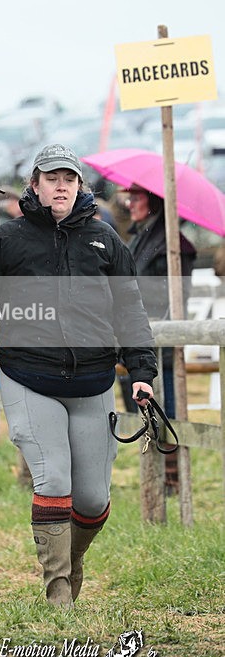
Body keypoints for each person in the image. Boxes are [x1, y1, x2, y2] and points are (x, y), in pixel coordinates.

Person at [0, 144, 157, 607]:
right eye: (52, 178)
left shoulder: (106, 240)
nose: (61, 185)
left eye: (69, 178)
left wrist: (142, 371)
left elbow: (130, 310)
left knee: (91, 500)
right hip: (29, 377)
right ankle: (58, 591)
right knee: (53, 484)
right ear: (35, 185)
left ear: (80, 186)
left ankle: (71, 561)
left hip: (93, 382)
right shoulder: (9, 240)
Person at [120, 185, 196, 492]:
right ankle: (156, 478)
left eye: (136, 198)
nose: (129, 203)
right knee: (143, 409)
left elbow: (173, 295)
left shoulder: (176, 245)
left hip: (162, 341)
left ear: (153, 202)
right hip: (139, 337)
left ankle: (173, 478)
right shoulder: (142, 238)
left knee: (167, 411)